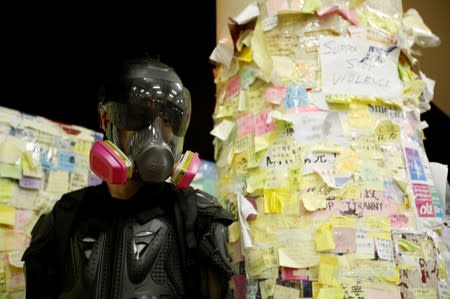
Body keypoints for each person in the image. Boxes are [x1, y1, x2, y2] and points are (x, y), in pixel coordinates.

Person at [21, 57, 234, 298]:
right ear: (105, 119)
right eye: (140, 116)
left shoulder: (197, 218)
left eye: (169, 121)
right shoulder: (66, 216)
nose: (157, 134)